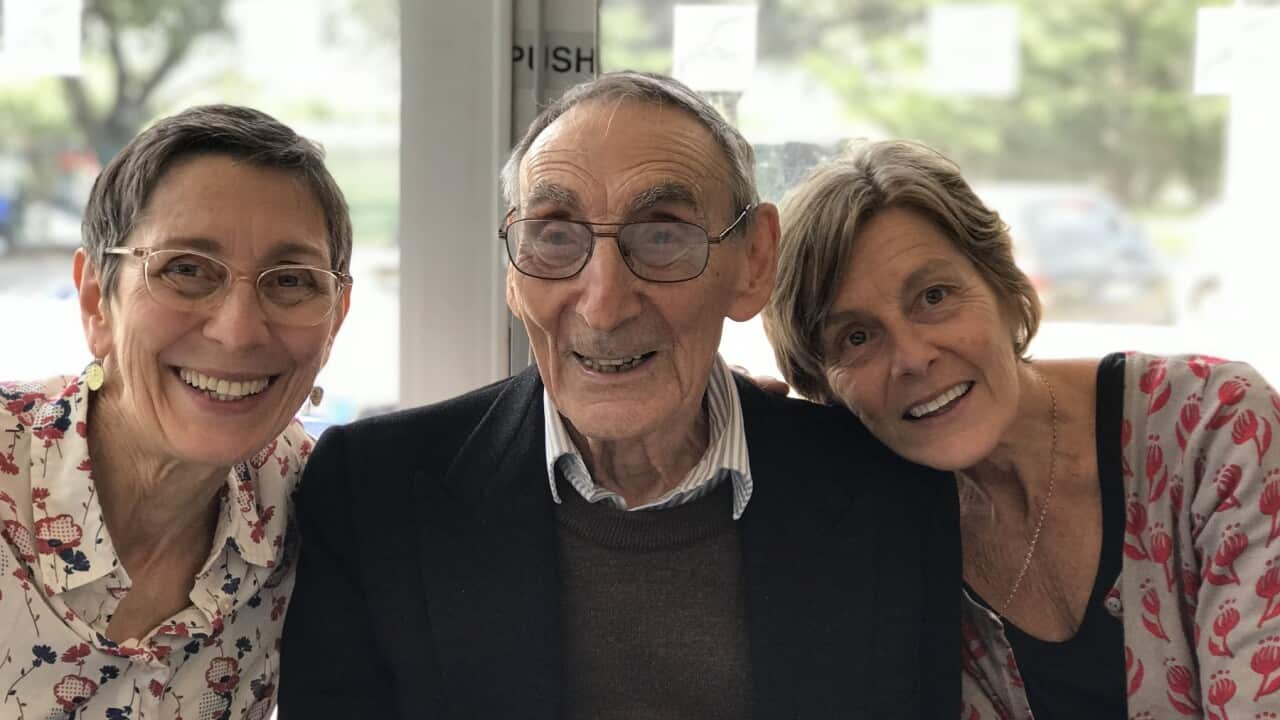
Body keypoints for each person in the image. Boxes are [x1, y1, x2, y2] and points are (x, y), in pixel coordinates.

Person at [279, 71, 959, 719]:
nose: (604, 306)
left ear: (753, 262)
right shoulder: (373, 493)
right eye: (553, 236)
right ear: (515, 275)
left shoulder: (885, 487)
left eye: (662, 235)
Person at [761, 138, 1280, 719]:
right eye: (856, 337)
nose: (911, 357)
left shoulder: (1218, 426)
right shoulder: (878, 540)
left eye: (933, 297)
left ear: (1004, 289)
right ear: (826, 385)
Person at [0, 104, 352, 719]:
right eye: (186, 270)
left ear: (335, 319)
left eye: (291, 280)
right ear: (95, 301)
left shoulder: (311, 500)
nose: (238, 332)